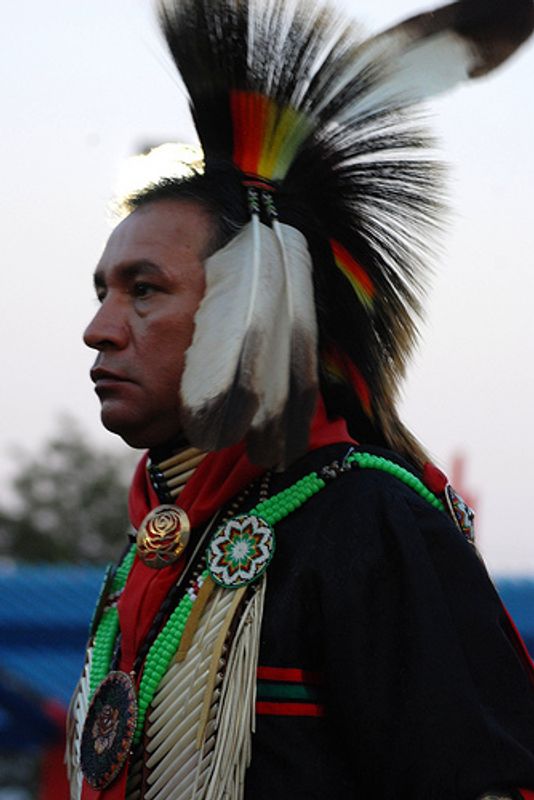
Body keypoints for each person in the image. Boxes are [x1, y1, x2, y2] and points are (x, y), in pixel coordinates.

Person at [66, 0, 534, 798]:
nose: (99, 329)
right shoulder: (152, 550)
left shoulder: (366, 523)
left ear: (250, 311)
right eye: (104, 291)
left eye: (144, 291)